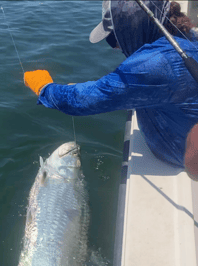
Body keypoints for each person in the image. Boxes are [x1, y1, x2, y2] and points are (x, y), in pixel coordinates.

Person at [24, 0, 198, 176]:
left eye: (113, 37)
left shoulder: (155, 64)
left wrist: (44, 88)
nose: (115, 46)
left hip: (180, 154)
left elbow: (83, 101)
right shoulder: (186, 36)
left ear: (133, 27)